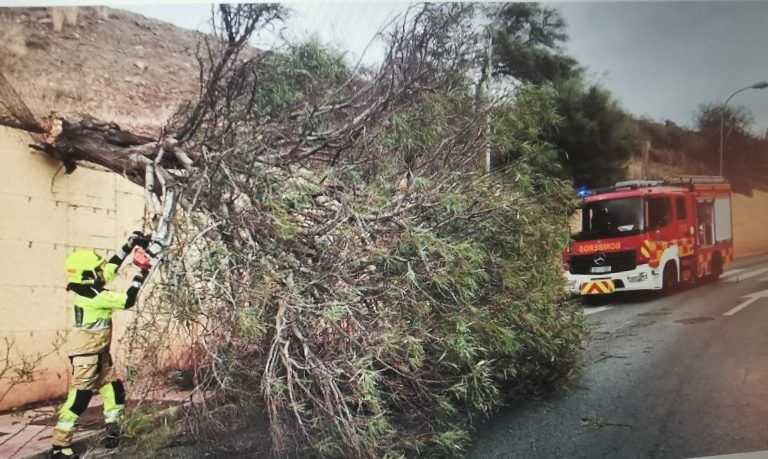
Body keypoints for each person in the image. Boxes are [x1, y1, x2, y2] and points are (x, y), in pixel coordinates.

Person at [51, 231, 151, 459]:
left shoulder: (85, 287)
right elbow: (128, 300)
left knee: (114, 391)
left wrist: (128, 246)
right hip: (87, 357)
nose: (101, 272)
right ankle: (59, 446)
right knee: (79, 399)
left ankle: (114, 432)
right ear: (87, 275)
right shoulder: (94, 297)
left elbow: (110, 269)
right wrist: (142, 273)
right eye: (96, 270)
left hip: (99, 354)